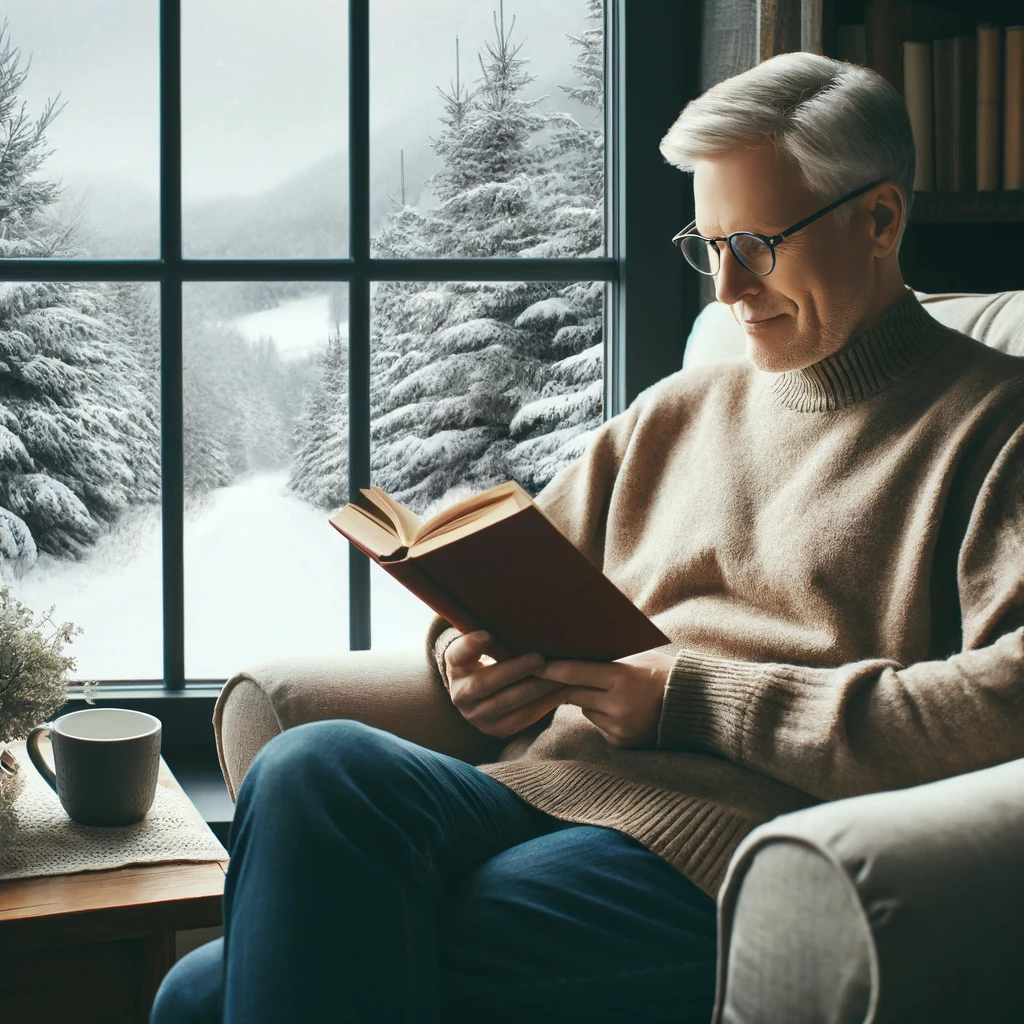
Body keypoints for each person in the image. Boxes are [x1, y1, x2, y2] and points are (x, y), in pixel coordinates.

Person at [152, 51, 1024, 1023]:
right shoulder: (675, 413)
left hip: (732, 846)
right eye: (706, 246)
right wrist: (469, 667)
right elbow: (505, 588)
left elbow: (1003, 703)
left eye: (758, 244)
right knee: (309, 764)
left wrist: (694, 700)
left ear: (880, 219)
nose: (728, 290)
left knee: (199, 995)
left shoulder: (994, 431)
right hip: (543, 790)